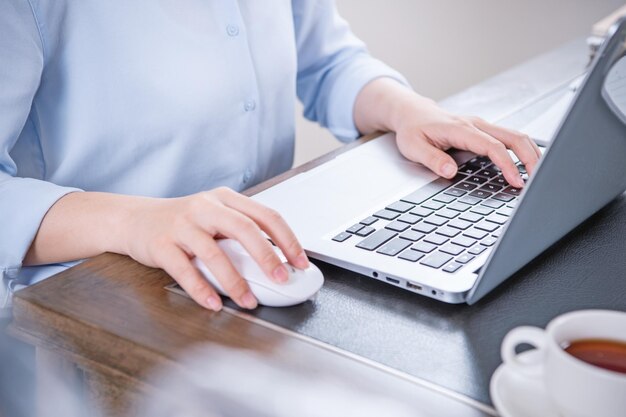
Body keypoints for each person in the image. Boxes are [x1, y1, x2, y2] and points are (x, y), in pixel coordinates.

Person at [0, 0, 540, 314]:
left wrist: (408, 110)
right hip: (96, 306)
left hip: (268, 268)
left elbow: (326, 61)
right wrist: (137, 221)